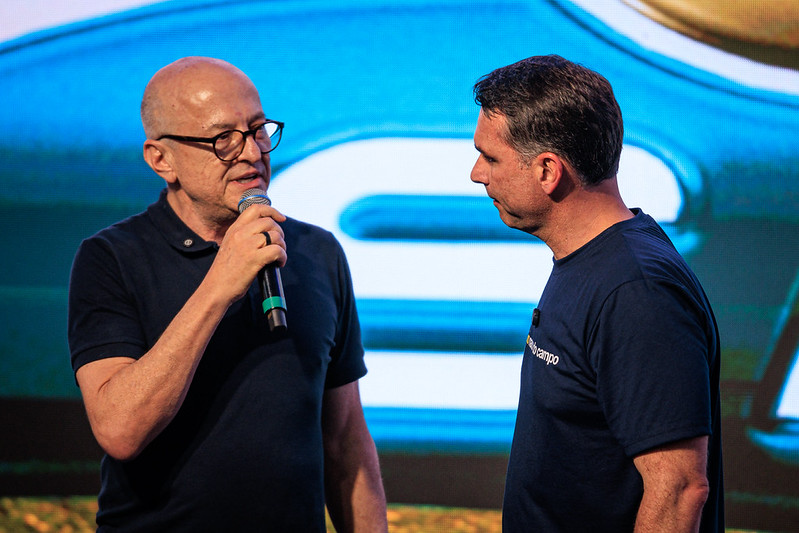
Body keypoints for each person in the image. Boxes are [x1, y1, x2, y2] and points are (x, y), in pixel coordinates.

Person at [68, 56, 388, 532]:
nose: (252, 153)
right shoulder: (111, 258)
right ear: (161, 160)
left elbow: (344, 440)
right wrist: (219, 285)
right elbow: (120, 430)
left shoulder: (315, 252)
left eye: (258, 130)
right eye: (223, 140)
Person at [470, 55, 723, 532]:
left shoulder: (636, 293)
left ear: (548, 170)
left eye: (491, 157)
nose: (477, 173)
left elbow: (679, 490)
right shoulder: (597, 263)